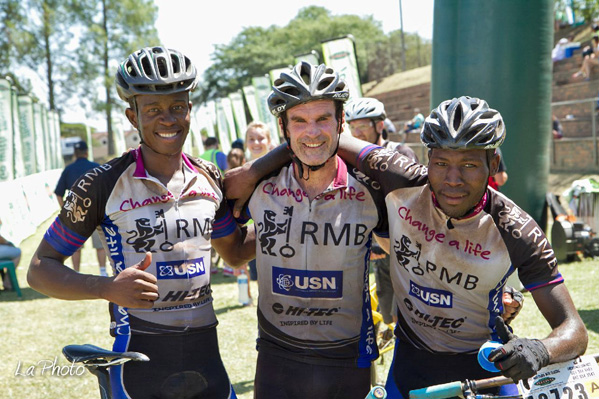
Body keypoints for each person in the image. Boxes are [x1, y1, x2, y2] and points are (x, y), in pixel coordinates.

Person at [226, 96, 585, 398]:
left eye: (470, 165)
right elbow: (323, 138)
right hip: (409, 365)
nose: (453, 179)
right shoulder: (400, 177)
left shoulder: (515, 228)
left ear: (492, 164)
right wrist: (255, 170)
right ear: (426, 159)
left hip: (484, 368)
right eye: (441, 163)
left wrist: (540, 349)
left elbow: (574, 330)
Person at [28, 46, 254, 399]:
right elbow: (40, 269)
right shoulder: (102, 183)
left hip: (207, 357)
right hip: (139, 363)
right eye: (153, 110)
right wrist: (106, 288)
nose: (168, 119)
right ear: (132, 116)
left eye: (177, 107)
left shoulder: (210, 177)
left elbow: (236, 253)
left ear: (190, 110)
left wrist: (284, 214)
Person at [344, 97, 418, 326]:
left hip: (402, 246)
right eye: (352, 127)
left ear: (379, 126)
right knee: (384, 314)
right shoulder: (348, 159)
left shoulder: (399, 154)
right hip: (367, 245)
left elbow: (410, 203)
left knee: (405, 313)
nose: (357, 133)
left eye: (363, 126)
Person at [54, 140, 108, 276]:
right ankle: (103, 271)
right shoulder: (96, 167)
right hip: (97, 212)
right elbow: (107, 191)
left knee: (75, 247)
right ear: (87, 152)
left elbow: (58, 193)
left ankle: (76, 273)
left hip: (76, 214)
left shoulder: (68, 169)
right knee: (100, 245)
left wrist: (66, 210)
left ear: (75, 154)